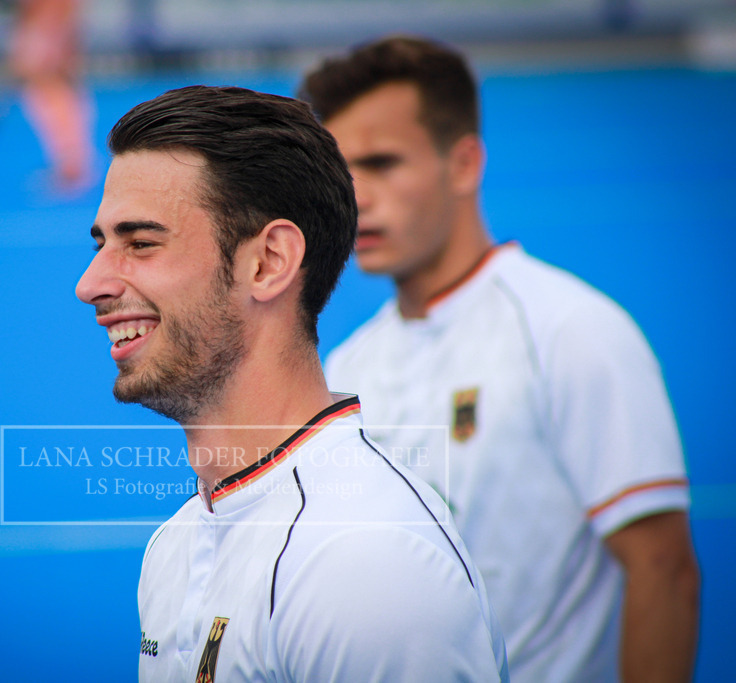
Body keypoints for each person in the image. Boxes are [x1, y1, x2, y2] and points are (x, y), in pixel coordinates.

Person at [299, 35, 700, 682]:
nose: (357, 196)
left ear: (463, 164)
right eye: (341, 173)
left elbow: (664, 570)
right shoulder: (343, 371)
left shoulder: (570, 329)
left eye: (381, 163)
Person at [75, 85, 509, 681]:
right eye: (103, 245)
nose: (90, 283)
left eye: (142, 244)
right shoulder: (175, 544)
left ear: (269, 262)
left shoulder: (364, 564)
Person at [7, 0, 95, 191]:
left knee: (52, 92)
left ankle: (73, 167)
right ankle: (70, 165)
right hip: (47, 30)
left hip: (49, 31)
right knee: (46, 94)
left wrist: (56, 38)